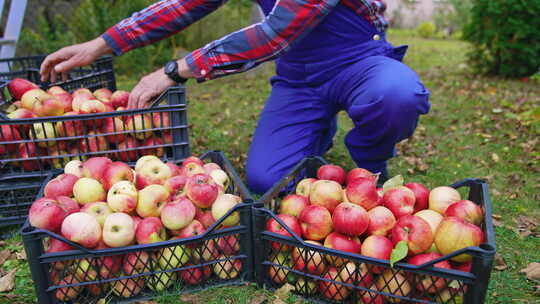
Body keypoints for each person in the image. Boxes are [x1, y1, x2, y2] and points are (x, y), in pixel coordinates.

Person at [39, 0, 431, 194]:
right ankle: (317, 134)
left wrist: (174, 70)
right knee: (267, 181)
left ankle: (371, 157)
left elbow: (276, 33)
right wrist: (102, 43)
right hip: (300, 77)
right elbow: (183, 5)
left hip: (358, 61)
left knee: (396, 95)